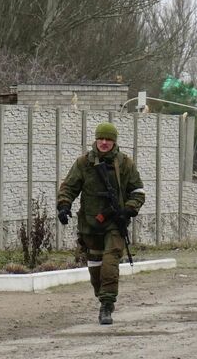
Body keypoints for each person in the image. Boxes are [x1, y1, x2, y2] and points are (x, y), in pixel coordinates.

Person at [57, 121, 146, 325]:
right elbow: (69, 187)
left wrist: (129, 209)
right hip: (90, 224)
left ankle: (107, 305)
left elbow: (138, 191)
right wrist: (63, 206)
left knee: (110, 262)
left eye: (109, 139)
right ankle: (102, 295)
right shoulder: (83, 163)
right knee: (95, 267)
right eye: (101, 139)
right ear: (95, 140)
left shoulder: (125, 164)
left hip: (114, 222)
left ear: (114, 142)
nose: (104, 143)